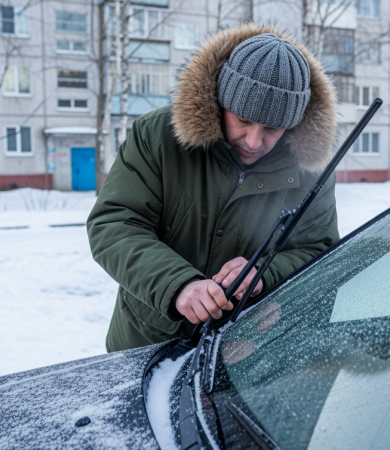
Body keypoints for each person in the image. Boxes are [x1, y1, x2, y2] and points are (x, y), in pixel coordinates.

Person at [87, 24, 340, 352]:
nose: (253, 141)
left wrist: (264, 274)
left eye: (272, 128)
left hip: (247, 353)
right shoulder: (157, 136)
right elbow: (115, 225)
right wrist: (177, 284)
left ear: (292, 125)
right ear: (221, 101)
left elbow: (319, 251)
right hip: (147, 345)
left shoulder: (311, 170)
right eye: (243, 120)